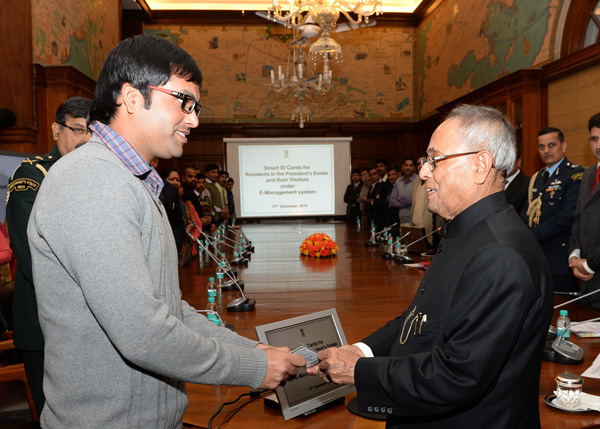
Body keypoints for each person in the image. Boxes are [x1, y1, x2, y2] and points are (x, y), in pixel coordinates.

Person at [26, 35, 304, 428]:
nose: (193, 118)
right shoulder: (91, 181)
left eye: (197, 106)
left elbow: (168, 310)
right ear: (133, 97)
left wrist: (252, 349)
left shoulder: (133, 182)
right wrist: (253, 367)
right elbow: (144, 334)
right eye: (184, 101)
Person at [308, 104, 553, 428]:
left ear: (481, 165)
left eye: (435, 160)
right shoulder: (471, 233)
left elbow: (458, 376)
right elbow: (421, 321)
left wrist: (358, 370)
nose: (424, 172)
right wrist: (361, 351)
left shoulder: (499, 255)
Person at [6, 96, 92, 418]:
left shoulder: (94, 177)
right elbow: (31, 255)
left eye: (91, 132)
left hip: (89, 322)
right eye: (78, 130)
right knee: (54, 416)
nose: (85, 140)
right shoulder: (32, 176)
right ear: (57, 129)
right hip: (45, 321)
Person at [522, 127, 583, 293]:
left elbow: (567, 218)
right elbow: (527, 214)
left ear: (563, 146)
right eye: (542, 147)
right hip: (536, 258)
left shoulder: (574, 175)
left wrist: (530, 236)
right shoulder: (537, 178)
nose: (546, 151)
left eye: (551, 145)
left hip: (559, 261)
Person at [569, 112, 600, 308]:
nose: (598, 146)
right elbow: (578, 219)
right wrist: (574, 256)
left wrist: (589, 265)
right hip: (586, 285)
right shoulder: (588, 174)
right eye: (595, 139)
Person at [389, 157, 417, 224]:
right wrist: (407, 202)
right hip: (401, 220)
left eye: (411, 165)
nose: (408, 167)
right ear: (402, 167)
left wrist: (398, 198)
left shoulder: (418, 180)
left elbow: (413, 199)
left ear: (414, 168)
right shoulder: (398, 181)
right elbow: (391, 201)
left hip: (415, 220)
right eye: (406, 165)